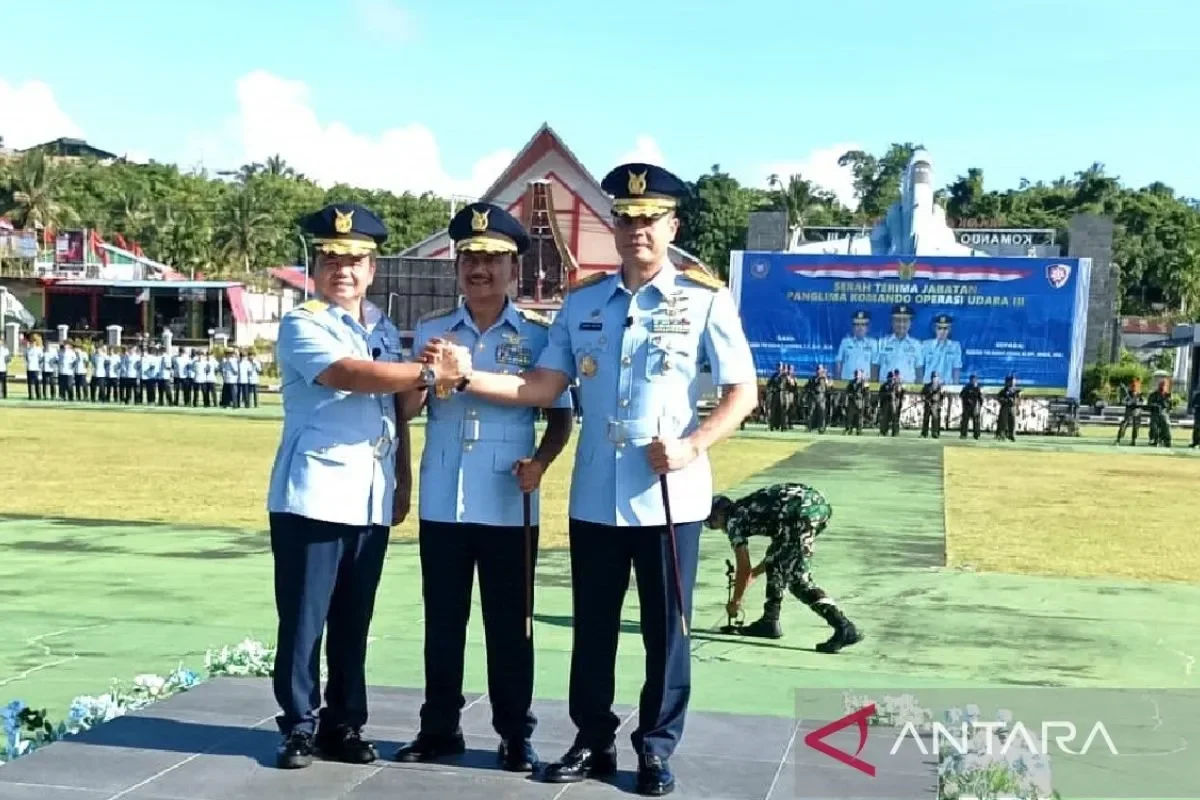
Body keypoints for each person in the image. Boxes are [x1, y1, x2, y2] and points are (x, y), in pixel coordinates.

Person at [423, 163, 758, 796]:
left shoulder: (705, 299)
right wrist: (465, 378)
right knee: (593, 627)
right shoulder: (584, 304)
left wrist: (693, 445)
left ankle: (656, 748)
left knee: (667, 632)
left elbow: (743, 391)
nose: (637, 230)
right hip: (596, 492)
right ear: (613, 225)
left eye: (649, 219)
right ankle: (592, 739)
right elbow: (541, 387)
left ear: (671, 226)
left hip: (668, 493)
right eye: (626, 219)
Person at [266, 202, 469, 770]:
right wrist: (427, 372)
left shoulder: (380, 327)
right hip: (312, 494)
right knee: (305, 620)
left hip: (368, 496)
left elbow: (397, 410)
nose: (343, 271)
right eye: (332, 259)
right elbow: (346, 376)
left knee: (354, 621)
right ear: (317, 265)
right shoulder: (303, 322)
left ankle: (344, 723)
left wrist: (426, 379)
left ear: (372, 268)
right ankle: (299, 726)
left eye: (354, 260)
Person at [392, 203, 574, 772]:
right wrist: (424, 374)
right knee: (442, 624)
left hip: (508, 501)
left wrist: (542, 462)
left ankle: (515, 733)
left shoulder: (539, 337)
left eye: (493, 260)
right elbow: (406, 410)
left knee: (510, 628)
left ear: (514, 270)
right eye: (470, 258)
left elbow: (560, 413)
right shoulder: (431, 331)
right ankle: (439, 728)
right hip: (445, 498)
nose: (480, 270)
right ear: (457, 267)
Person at [706, 485, 861, 652]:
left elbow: (743, 566)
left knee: (798, 580)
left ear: (718, 514)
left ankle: (844, 627)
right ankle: (769, 620)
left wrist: (736, 601)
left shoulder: (733, 520)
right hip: (817, 508)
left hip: (798, 515)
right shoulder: (747, 506)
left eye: (712, 524)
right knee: (777, 560)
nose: (718, 529)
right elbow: (779, 550)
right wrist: (754, 575)